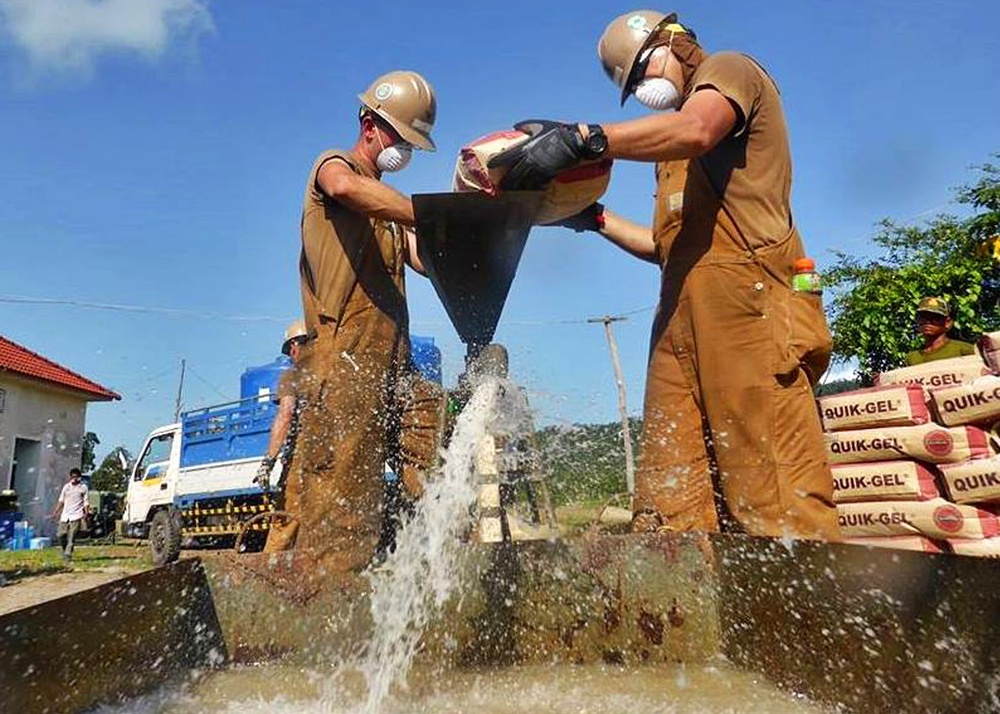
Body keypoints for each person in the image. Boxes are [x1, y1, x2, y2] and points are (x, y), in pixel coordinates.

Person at [490, 10, 838, 539]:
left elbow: (697, 129)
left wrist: (586, 138)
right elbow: (665, 247)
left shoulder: (729, 72)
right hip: (679, 315)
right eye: (631, 86)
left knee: (771, 491)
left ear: (672, 41)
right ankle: (694, 612)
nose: (642, 88)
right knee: (670, 498)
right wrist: (593, 218)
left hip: (750, 305)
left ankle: (808, 615)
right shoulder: (667, 153)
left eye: (641, 72)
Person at [290, 70, 446, 578]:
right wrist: (423, 213)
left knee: (429, 449)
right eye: (399, 137)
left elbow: (426, 262)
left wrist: (474, 230)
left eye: (410, 143)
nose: (402, 149)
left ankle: (419, 570)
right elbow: (344, 187)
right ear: (370, 124)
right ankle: (327, 594)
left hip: (393, 362)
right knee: (342, 487)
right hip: (343, 360)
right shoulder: (335, 169)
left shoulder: (392, 209)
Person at [260, 319, 308, 552]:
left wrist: (268, 461)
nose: (290, 353)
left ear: (296, 346)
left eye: (291, 347)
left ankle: (266, 580)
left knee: (283, 524)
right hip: (337, 461)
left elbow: (286, 414)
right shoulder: (337, 373)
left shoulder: (293, 375)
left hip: (302, 463)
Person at [904, 297, 976, 366]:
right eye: (923, 318)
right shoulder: (912, 358)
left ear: (948, 323)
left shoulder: (965, 350)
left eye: (935, 318)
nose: (928, 322)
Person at [50, 468, 89, 561]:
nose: (74, 479)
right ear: (70, 477)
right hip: (65, 515)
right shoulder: (66, 487)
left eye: (76, 477)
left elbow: (86, 501)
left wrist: (86, 512)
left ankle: (68, 555)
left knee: (72, 536)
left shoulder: (83, 488)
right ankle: (64, 550)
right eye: (73, 477)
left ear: (79, 477)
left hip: (76, 515)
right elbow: (61, 500)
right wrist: (56, 511)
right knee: (60, 535)